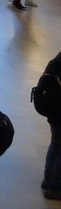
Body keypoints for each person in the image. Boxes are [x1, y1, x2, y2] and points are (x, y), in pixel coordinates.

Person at [40, 51, 61, 200]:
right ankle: (55, 188)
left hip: (53, 110)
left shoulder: (56, 60)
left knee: (55, 144)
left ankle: (47, 180)